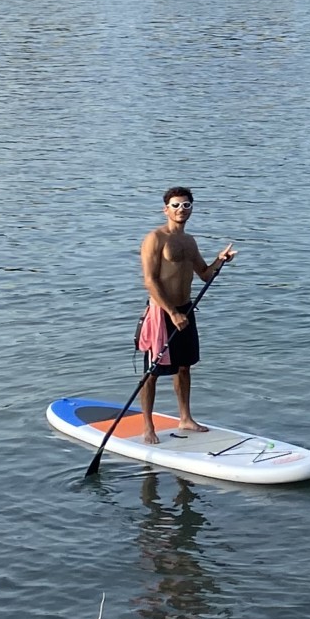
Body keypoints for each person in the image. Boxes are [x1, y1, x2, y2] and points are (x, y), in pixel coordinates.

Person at [136, 187, 235, 441]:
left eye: (186, 206)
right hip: (162, 311)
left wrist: (220, 261)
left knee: (185, 367)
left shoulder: (189, 241)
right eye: (176, 205)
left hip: (186, 310)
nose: (181, 210)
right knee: (153, 372)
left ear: (192, 209)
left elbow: (204, 273)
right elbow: (150, 281)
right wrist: (171, 312)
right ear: (166, 209)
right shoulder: (155, 239)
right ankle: (147, 426)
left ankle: (185, 418)